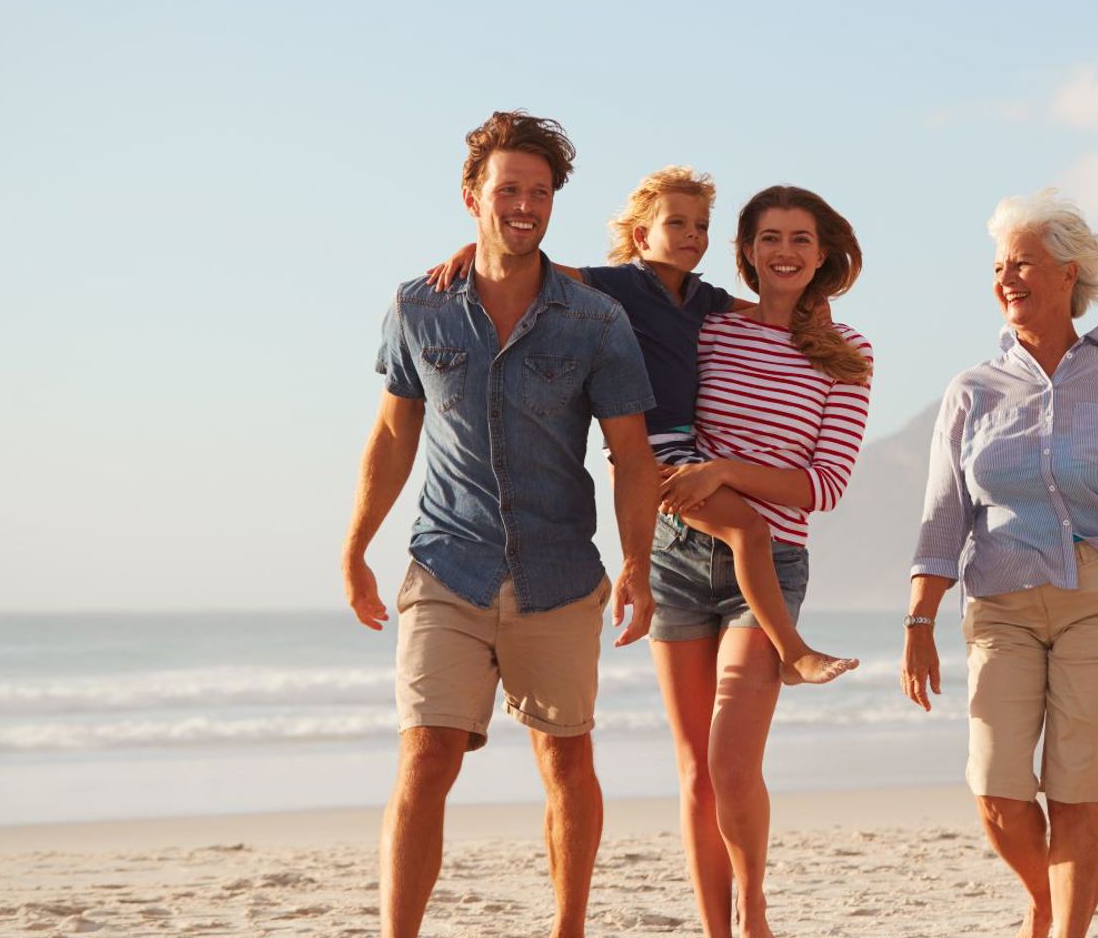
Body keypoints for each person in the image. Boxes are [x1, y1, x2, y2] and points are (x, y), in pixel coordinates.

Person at [338, 111, 662, 938]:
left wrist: (637, 562)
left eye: (541, 192)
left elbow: (630, 453)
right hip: (448, 564)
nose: (525, 205)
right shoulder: (420, 307)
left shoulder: (595, 321)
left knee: (565, 760)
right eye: (509, 189)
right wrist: (355, 548)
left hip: (558, 574)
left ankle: (569, 929)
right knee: (426, 755)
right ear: (472, 196)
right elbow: (392, 433)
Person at [901, 189, 1098, 938]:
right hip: (1002, 603)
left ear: (1068, 274)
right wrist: (918, 618)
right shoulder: (970, 392)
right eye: (998, 266)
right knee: (998, 793)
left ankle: (1064, 930)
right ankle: (1046, 903)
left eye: (1024, 263)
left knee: (1075, 795)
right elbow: (944, 513)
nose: (1007, 278)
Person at [427, 167, 857, 686]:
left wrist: (814, 311)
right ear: (640, 236)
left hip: (686, 448)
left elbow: (764, 311)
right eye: (677, 224)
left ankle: (788, 649)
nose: (692, 236)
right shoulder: (623, 285)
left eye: (700, 226)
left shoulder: (703, 299)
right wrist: (475, 253)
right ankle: (793, 651)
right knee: (748, 529)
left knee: (748, 532)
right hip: (648, 450)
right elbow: (543, 271)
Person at [652, 184, 873, 938]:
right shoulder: (709, 326)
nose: (785, 251)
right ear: (744, 251)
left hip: (770, 568)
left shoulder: (849, 355)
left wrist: (724, 472)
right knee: (692, 773)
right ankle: (717, 930)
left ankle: (753, 909)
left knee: (730, 765)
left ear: (822, 256)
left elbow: (823, 486)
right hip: (678, 556)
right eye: (769, 237)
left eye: (801, 240)